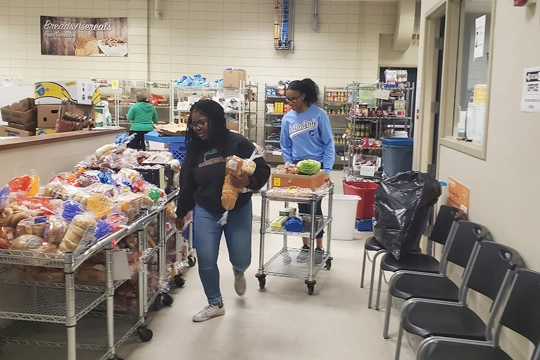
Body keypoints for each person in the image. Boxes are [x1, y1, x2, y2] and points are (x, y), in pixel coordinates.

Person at [176, 100, 270, 322]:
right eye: (194, 124)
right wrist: (182, 211)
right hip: (206, 209)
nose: (197, 128)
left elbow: (263, 169)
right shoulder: (195, 149)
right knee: (206, 258)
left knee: (241, 256)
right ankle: (215, 302)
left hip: (238, 208)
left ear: (215, 120)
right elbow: (187, 181)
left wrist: (248, 179)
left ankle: (239, 271)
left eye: (202, 122)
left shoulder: (238, 143)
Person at [280, 78, 335, 265]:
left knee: (315, 208)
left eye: (294, 98)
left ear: (304, 96)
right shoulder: (287, 118)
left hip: (317, 167)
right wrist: (289, 165)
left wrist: (327, 169)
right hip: (297, 167)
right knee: (302, 207)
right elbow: (285, 145)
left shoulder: (319, 115)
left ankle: (319, 247)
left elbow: (329, 144)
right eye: (288, 99)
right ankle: (305, 245)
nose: (291, 103)